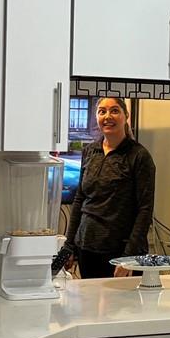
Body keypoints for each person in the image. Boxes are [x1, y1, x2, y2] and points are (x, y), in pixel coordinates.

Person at [55, 97, 155, 280]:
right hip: (87, 248)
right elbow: (80, 199)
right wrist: (69, 246)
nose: (108, 116)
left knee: (123, 308)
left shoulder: (139, 156)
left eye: (114, 110)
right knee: (90, 307)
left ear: (126, 116)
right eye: (102, 111)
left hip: (121, 253)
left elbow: (145, 210)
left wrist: (128, 258)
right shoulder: (90, 151)